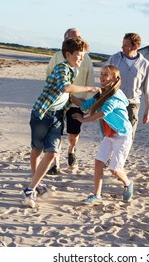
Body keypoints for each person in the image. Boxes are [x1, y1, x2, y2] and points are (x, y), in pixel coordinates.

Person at [22, 38, 101, 208]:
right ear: (68, 54)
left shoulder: (72, 71)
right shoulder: (61, 68)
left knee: (51, 153)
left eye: (83, 56)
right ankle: (35, 184)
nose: (82, 59)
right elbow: (65, 88)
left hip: (57, 116)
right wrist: (89, 88)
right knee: (36, 150)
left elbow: (69, 96)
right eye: (79, 55)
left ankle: (31, 188)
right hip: (42, 114)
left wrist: (86, 105)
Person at [72, 65, 134, 205]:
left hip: (123, 135)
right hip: (109, 135)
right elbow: (85, 105)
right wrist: (68, 93)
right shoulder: (102, 94)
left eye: (106, 74)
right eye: (101, 74)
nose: (102, 77)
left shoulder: (115, 95)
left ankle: (128, 183)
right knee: (98, 162)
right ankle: (97, 195)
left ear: (114, 78)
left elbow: (103, 112)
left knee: (115, 169)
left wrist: (84, 120)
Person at [46, 28, 95, 172]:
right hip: (58, 102)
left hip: (77, 102)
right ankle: (55, 164)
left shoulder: (86, 58)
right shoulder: (57, 56)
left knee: (73, 134)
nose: (76, 40)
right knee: (56, 132)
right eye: (72, 38)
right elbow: (49, 77)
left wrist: (88, 103)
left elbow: (90, 81)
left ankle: (72, 150)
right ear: (65, 41)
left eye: (78, 37)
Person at [108, 33, 149, 139]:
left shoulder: (144, 64)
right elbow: (104, 80)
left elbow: (148, 90)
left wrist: (148, 111)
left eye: (125, 45)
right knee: (111, 136)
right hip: (114, 102)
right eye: (122, 44)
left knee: (127, 137)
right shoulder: (114, 59)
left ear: (135, 47)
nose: (122, 47)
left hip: (132, 104)